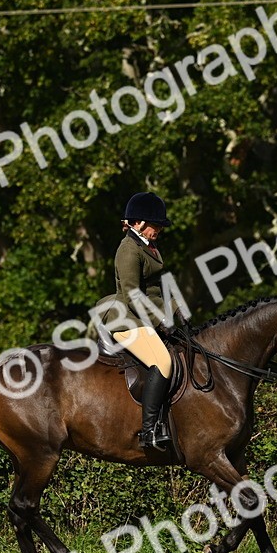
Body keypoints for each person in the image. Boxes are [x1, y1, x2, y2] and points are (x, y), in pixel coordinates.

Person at [90, 192, 174, 450]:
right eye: (154, 224)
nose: (158, 229)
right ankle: (148, 432)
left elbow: (154, 289)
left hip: (145, 311)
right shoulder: (128, 250)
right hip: (127, 316)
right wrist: (161, 319)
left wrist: (176, 309)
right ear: (137, 223)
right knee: (162, 361)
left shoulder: (146, 245)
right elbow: (132, 295)